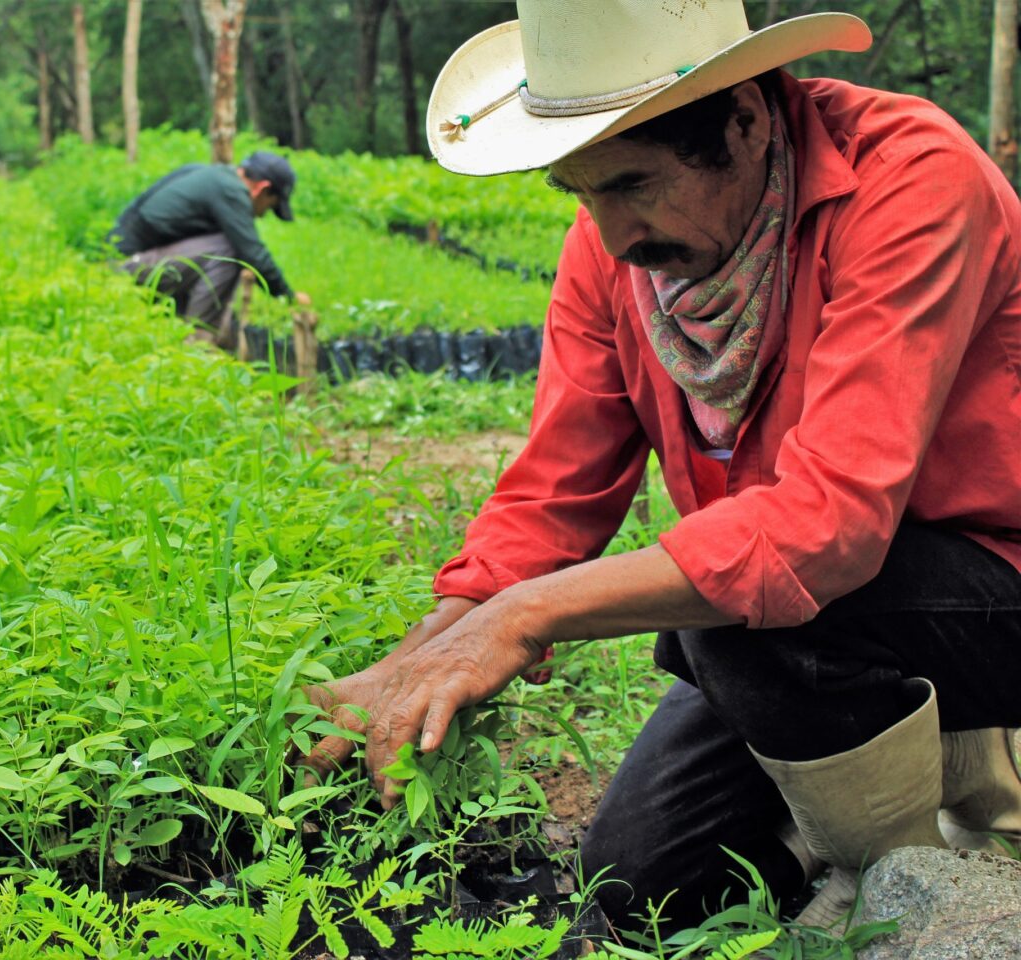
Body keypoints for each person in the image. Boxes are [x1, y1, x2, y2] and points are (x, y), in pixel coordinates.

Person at [303, 0, 1021, 933]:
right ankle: (845, 803)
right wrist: (421, 660)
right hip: (799, 618)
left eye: (634, 184)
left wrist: (525, 619)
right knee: (639, 879)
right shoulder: (618, 256)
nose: (609, 234)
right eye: (582, 193)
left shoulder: (909, 181)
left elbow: (822, 530)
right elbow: (557, 491)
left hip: (987, 581)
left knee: (735, 621)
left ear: (746, 122)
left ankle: (925, 877)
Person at [108, 150, 310, 350]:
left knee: (221, 246)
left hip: (128, 263)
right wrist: (289, 298)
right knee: (229, 249)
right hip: (126, 268)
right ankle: (198, 342)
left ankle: (182, 332)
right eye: (269, 206)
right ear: (262, 188)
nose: (263, 215)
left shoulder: (212, 175)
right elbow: (252, 254)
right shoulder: (230, 190)